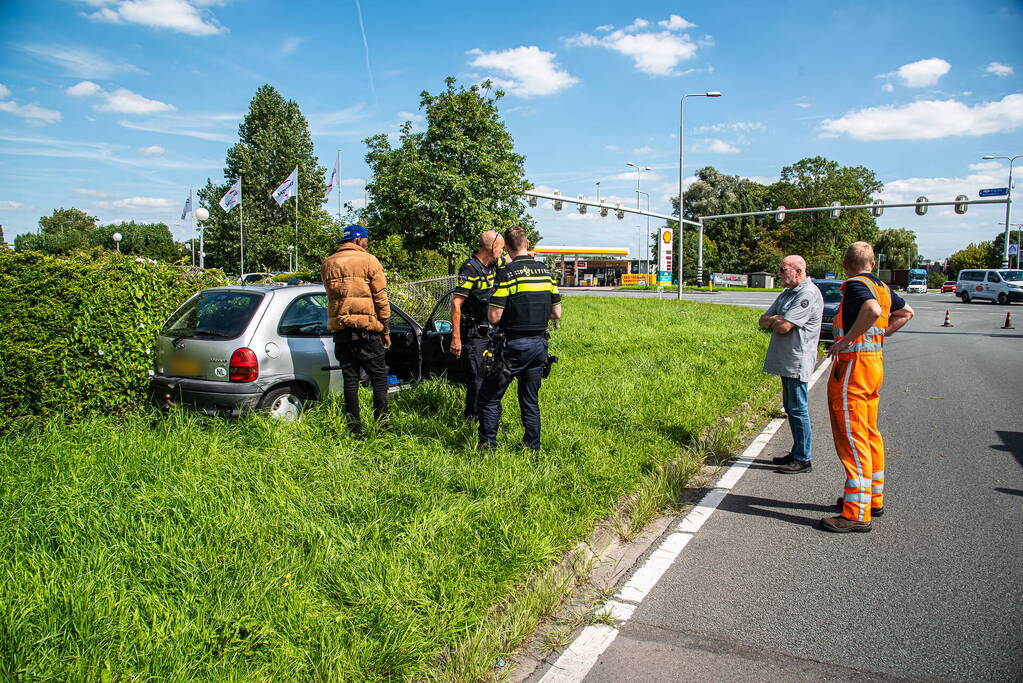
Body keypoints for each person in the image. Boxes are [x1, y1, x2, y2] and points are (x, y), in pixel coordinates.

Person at [822, 242, 914, 533]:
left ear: (845, 265)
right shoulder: (883, 287)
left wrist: (846, 340)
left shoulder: (854, 285)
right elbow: (906, 313)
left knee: (852, 438)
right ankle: (872, 499)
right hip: (873, 365)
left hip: (854, 368)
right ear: (873, 264)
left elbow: (871, 311)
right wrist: (875, 337)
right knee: (869, 433)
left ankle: (855, 514)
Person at [478, 226, 561, 451]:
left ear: (507, 247)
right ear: (526, 243)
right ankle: (533, 448)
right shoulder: (545, 272)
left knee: (490, 398)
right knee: (530, 401)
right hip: (539, 346)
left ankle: (487, 450)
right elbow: (557, 313)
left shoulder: (507, 273)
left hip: (512, 347)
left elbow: (495, 316)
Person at [321, 224, 391, 435]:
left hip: (341, 333)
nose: (367, 244)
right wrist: (385, 329)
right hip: (367, 331)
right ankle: (381, 428)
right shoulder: (369, 261)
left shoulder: (328, 263)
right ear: (359, 240)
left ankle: (354, 429)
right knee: (379, 379)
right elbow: (380, 298)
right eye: (366, 240)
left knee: (350, 381)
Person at [758, 255, 824, 474]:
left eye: (782, 269)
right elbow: (763, 320)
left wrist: (778, 319)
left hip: (797, 359)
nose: (779, 273)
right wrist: (777, 317)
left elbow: (784, 327)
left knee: (798, 409)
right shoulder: (788, 293)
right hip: (787, 360)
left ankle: (803, 458)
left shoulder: (807, 293)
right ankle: (797, 452)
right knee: (791, 407)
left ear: (798, 271)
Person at [450, 230, 506, 421]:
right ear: (492, 247)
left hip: (492, 332)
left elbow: (509, 260)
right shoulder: (470, 269)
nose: (503, 250)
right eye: (501, 247)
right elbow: (456, 303)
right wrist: (456, 338)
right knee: (477, 378)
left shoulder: (494, 264)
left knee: (495, 375)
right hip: (475, 333)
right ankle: (474, 418)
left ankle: (489, 417)